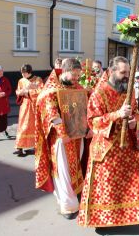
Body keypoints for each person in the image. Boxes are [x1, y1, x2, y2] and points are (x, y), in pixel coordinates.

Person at [77, 56, 139, 236]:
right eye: (123, 72)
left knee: (136, 185)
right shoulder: (99, 93)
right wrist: (117, 114)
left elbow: (136, 112)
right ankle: (102, 221)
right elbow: (93, 122)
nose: (127, 76)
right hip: (106, 151)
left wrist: (135, 122)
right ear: (111, 72)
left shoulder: (129, 92)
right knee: (106, 189)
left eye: (128, 72)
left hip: (127, 148)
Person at [35, 58, 85, 220]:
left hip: (77, 135)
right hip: (60, 138)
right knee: (63, 170)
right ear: (64, 71)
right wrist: (63, 133)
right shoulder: (51, 90)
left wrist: (87, 128)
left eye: (78, 75)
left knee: (76, 166)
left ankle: (76, 193)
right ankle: (67, 205)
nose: (77, 79)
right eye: (74, 75)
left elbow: (83, 106)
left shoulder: (77, 87)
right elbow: (51, 113)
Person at [14, 64, 43, 157]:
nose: (23, 75)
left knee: (35, 125)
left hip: (34, 106)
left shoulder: (38, 79)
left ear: (29, 72)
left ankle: (35, 146)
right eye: (22, 73)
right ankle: (20, 147)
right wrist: (20, 92)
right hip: (25, 106)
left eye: (24, 73)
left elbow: (41, 91)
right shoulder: (21, 81)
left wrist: (28, 92)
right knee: (23, 125)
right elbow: (18, 91)